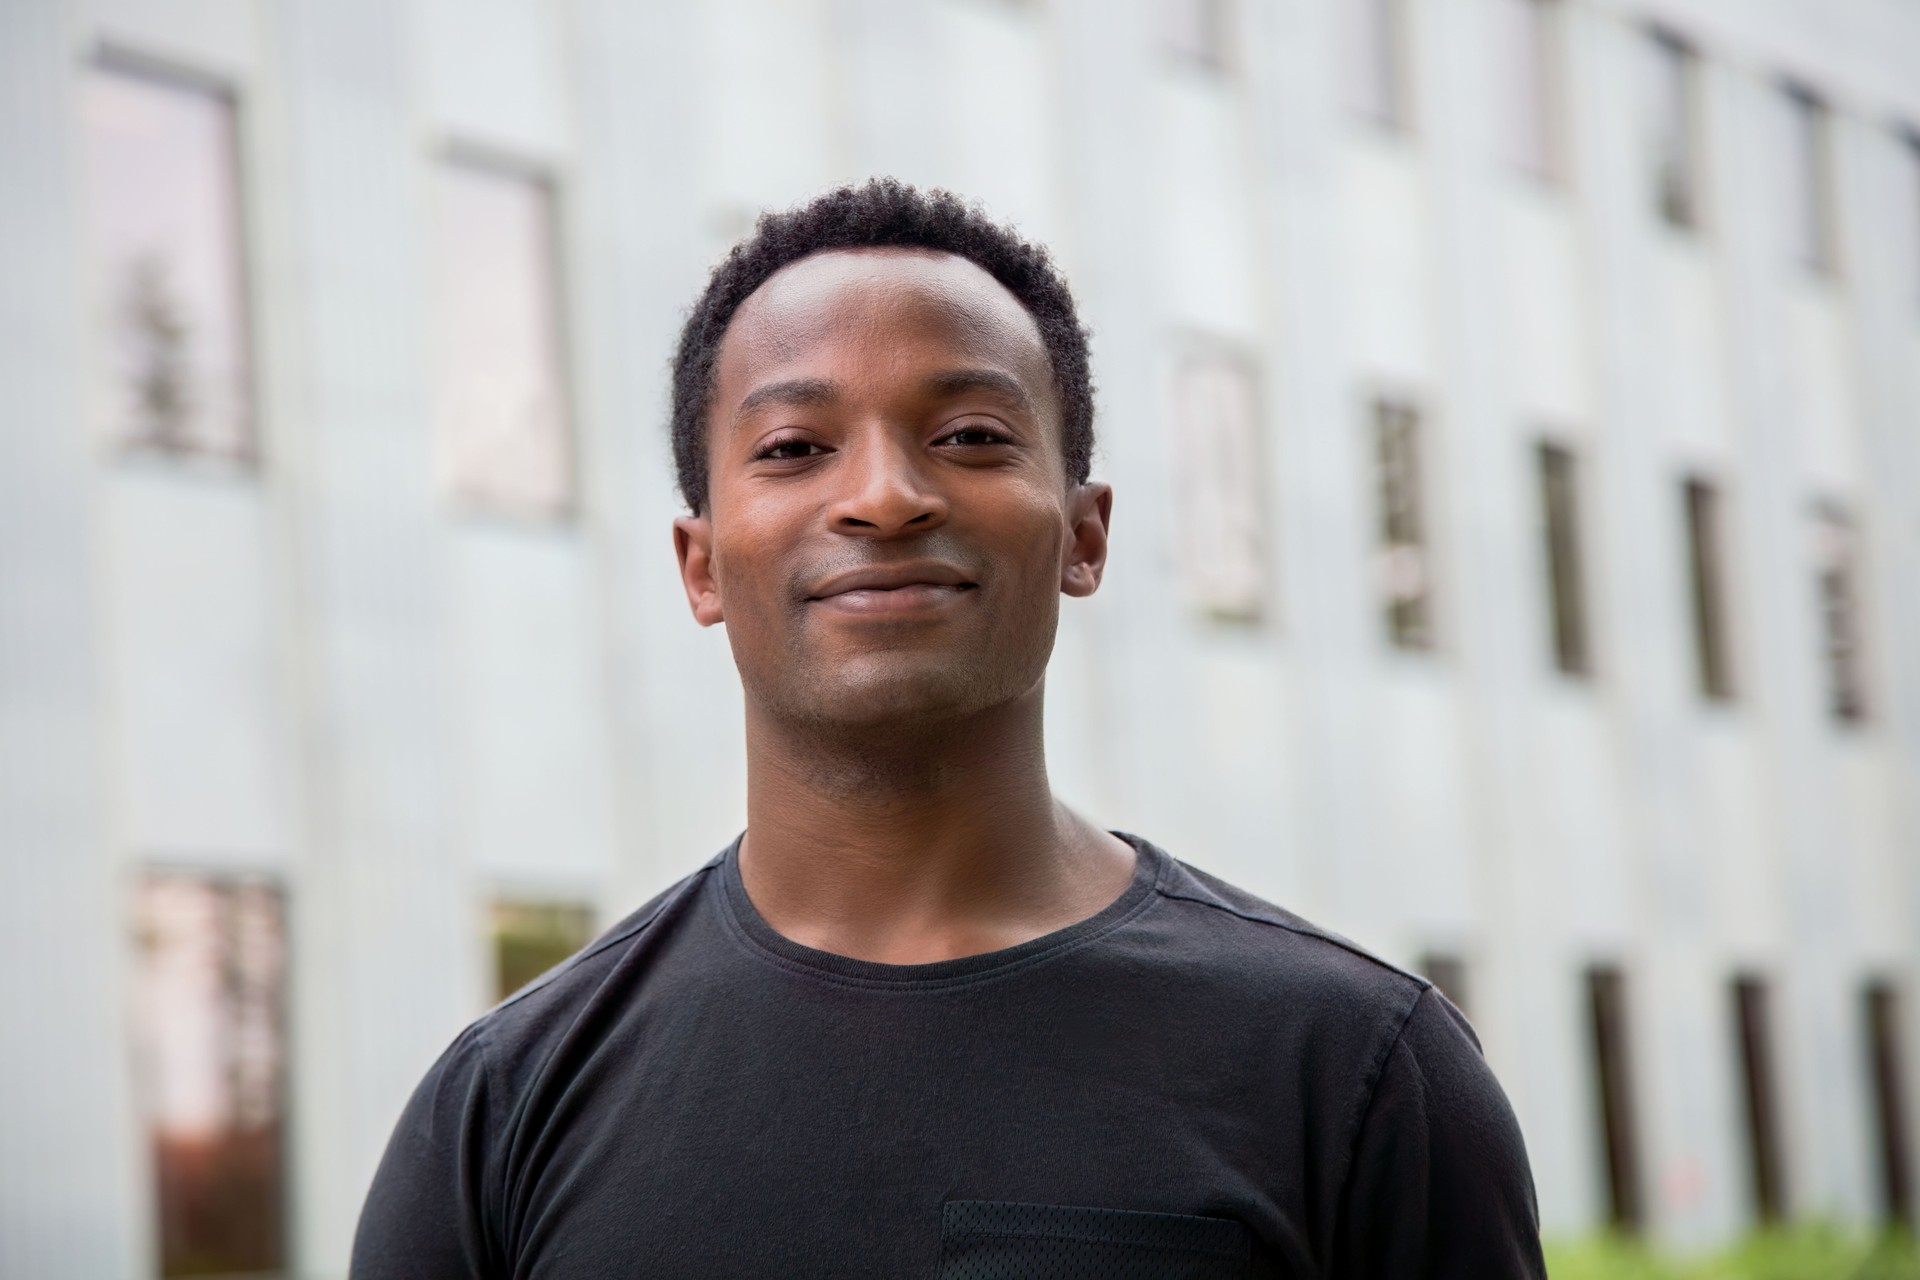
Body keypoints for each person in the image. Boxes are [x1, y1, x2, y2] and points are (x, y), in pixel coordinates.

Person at [351, 179, 1547, 1279]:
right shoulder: (505, 1111)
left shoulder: (1353, 1069)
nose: (882, 494)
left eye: (971, 435)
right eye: (793, 448)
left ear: (1085, 534)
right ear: (702, 563)